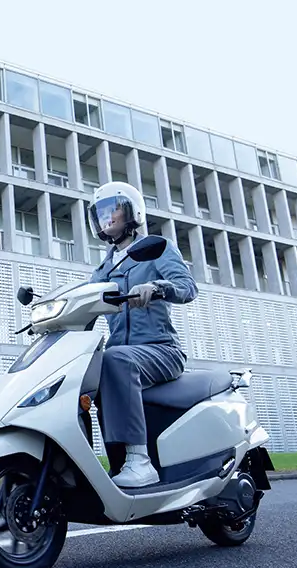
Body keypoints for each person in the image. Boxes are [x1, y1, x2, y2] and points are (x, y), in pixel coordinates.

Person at [86, 182, 197, 488]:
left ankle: (140, 461)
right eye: (100, 213)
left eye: (113, 210)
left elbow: (188, 287)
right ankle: (115, 464)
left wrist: (157, 287)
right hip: (122, 356)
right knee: (86, 372)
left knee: (114, 359)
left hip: (161, 349)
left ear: (131, 212)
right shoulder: (102, 270)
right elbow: (85, 303)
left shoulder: (156, 248)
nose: (106, 218)